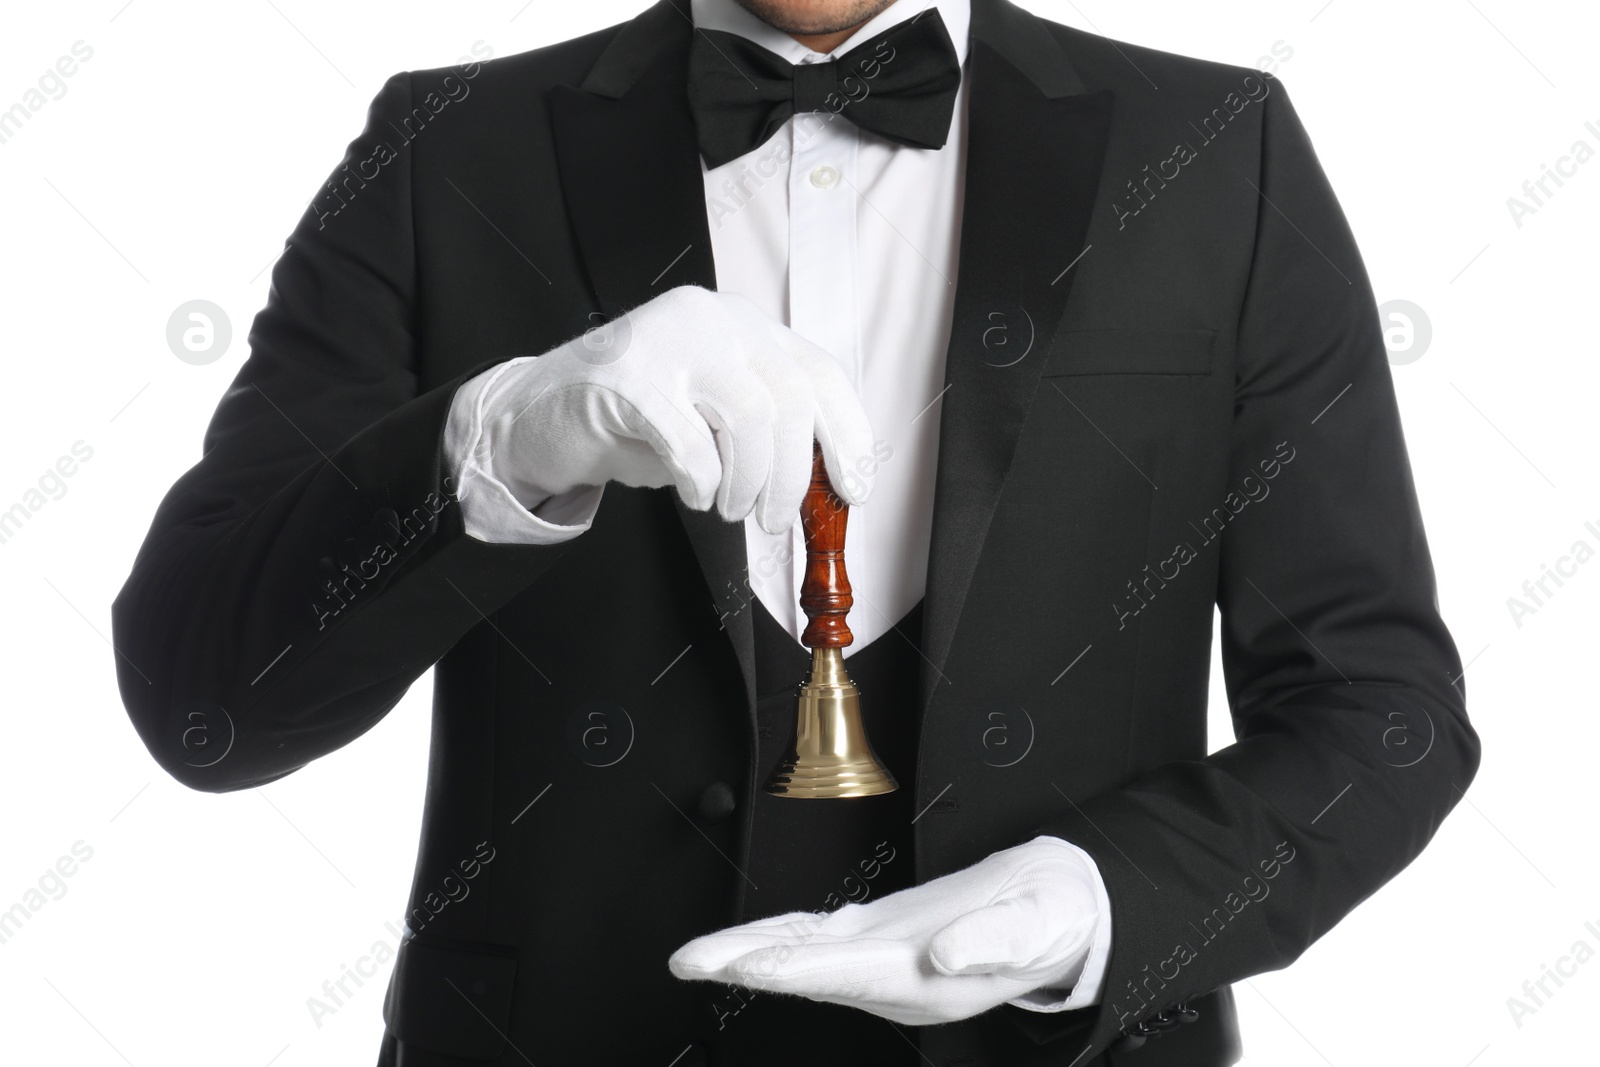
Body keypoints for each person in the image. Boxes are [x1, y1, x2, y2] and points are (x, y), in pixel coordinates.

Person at [112, 0, 1481, 1063]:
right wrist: (499, 440)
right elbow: (203, 699)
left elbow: (1381, 714)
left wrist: (1092, 903)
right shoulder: (446, 153)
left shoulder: (1216, 150)